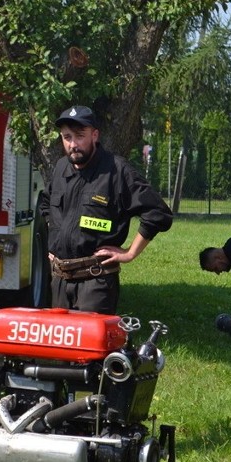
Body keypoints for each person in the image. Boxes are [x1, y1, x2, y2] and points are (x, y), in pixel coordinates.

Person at [38, 105, 173, 314]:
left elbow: (158, 213)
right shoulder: (61, 168)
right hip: (59, 281)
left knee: (90, 345)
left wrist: (130, 253)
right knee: (64, 346)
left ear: (95, 135)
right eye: (67, 137)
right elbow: (46, 203)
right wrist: (54, 235)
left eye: (79, 136)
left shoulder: (117, 171)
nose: (73, 144)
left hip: (95, 282)